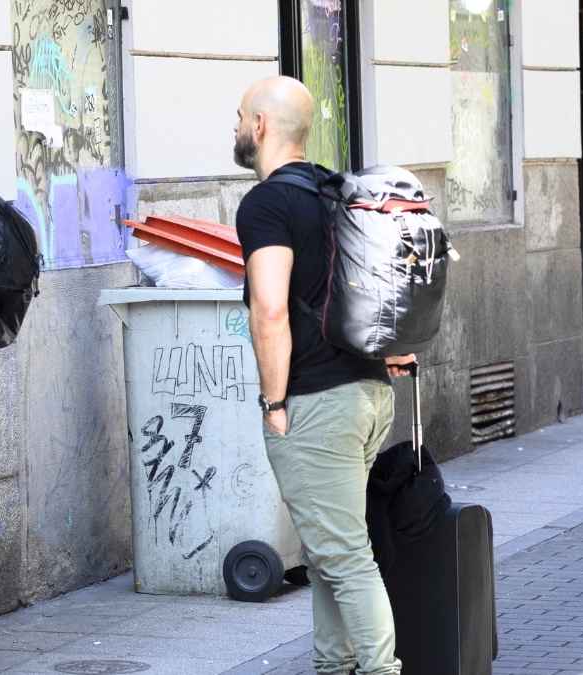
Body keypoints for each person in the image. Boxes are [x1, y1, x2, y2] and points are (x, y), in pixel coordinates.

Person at [232, 75, 415, 675]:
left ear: (260, 126)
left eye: (239, 118)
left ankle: (381, 669)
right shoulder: (335, 191)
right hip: (368, 393)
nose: (235, 130)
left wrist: (274, 401)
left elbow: (271, 309)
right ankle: (333, 666)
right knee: (328, 552)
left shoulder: (266, 205)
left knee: (343, 555)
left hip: (316, 401)